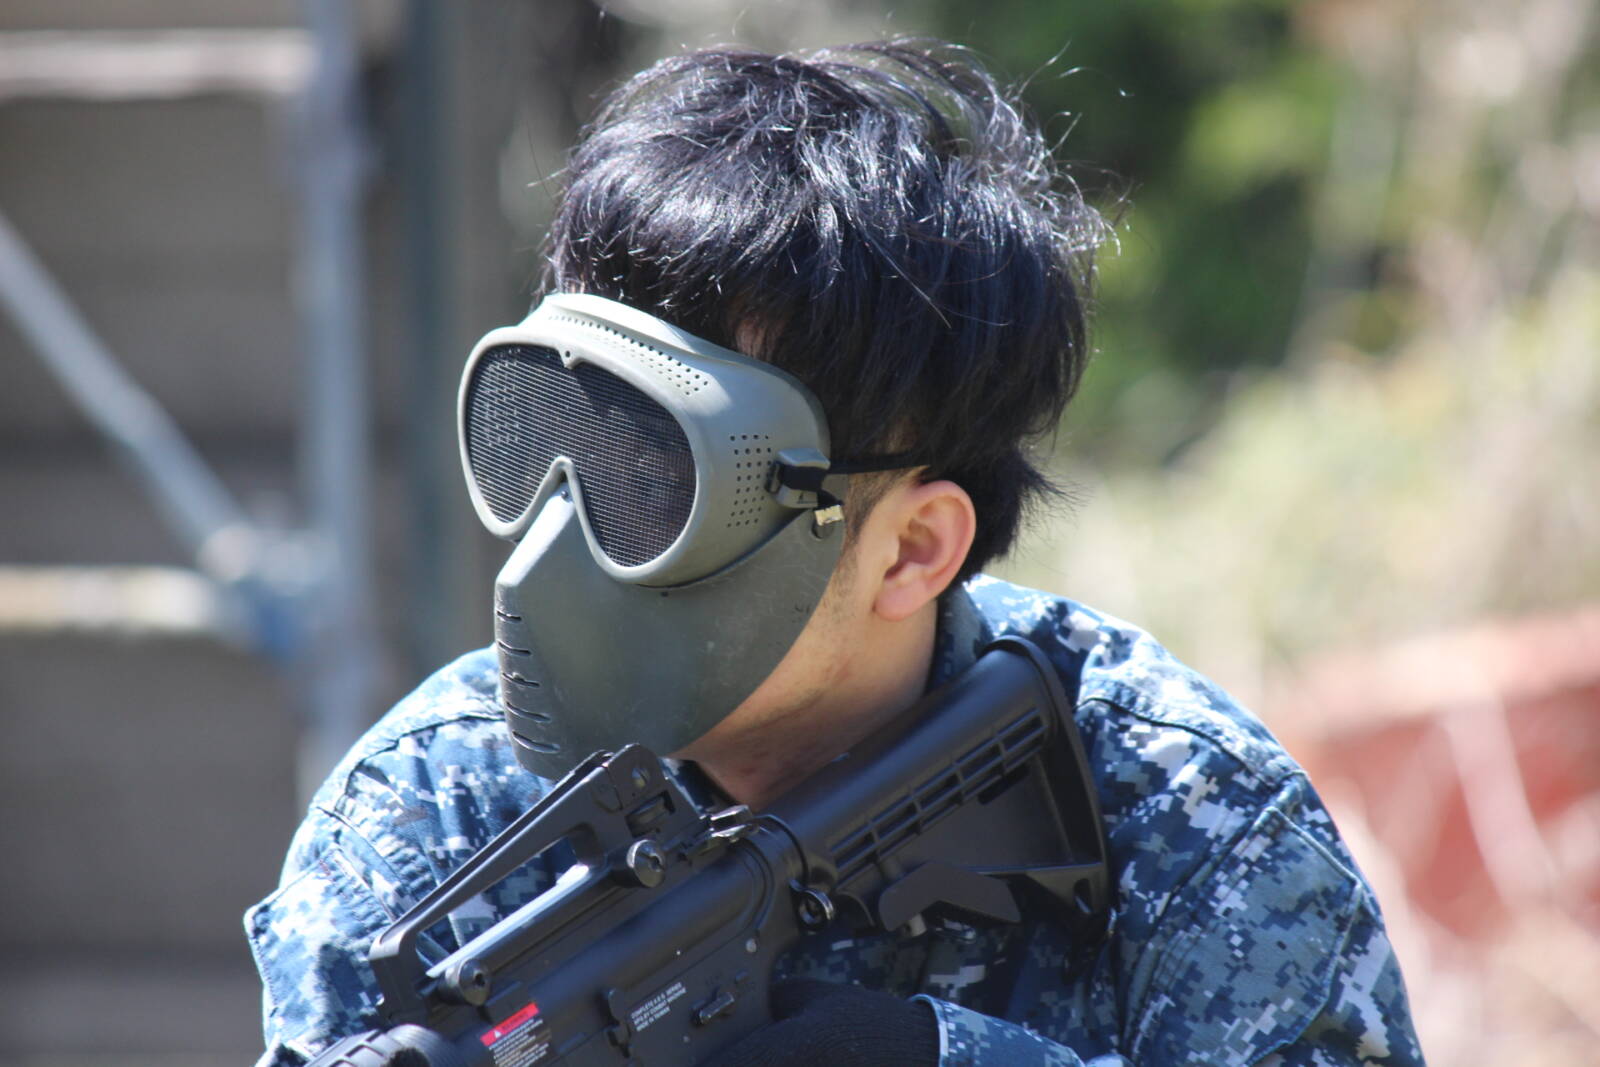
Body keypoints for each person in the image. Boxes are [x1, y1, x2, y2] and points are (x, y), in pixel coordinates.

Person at [246, 41, 1423, 1066]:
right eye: (556, 442)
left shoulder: (1184, 812)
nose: (562, 543)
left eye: (661, 479)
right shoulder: (429, 810)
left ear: (910, 549)